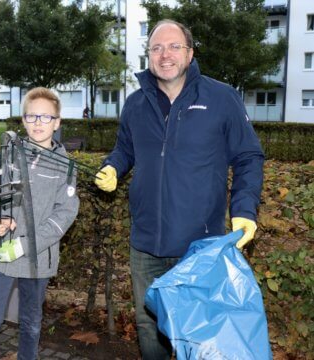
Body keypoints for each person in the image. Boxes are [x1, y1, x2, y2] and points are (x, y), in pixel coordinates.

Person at [94, 19, 264, 360]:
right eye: (156, 48)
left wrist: (244, 211)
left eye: (174, 46)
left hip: (199, 247)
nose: (165, 55)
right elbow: (125, 148)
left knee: (199, 333)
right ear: (148, 55)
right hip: (145, 243)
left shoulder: (221, 97)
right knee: (148, 324)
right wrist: (113, 166)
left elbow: (248, 157)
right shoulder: (135, 103)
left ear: (189, 53)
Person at [0, 87, 80, 360]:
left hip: (37, 259)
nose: (38, 123)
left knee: (31, 325)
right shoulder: (7, 153)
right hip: (0, 254)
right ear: (23, 120)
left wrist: (27, 244)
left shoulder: (66, 167)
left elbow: (64, 214)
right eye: (32, 117)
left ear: (57, 122)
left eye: (46, 117)